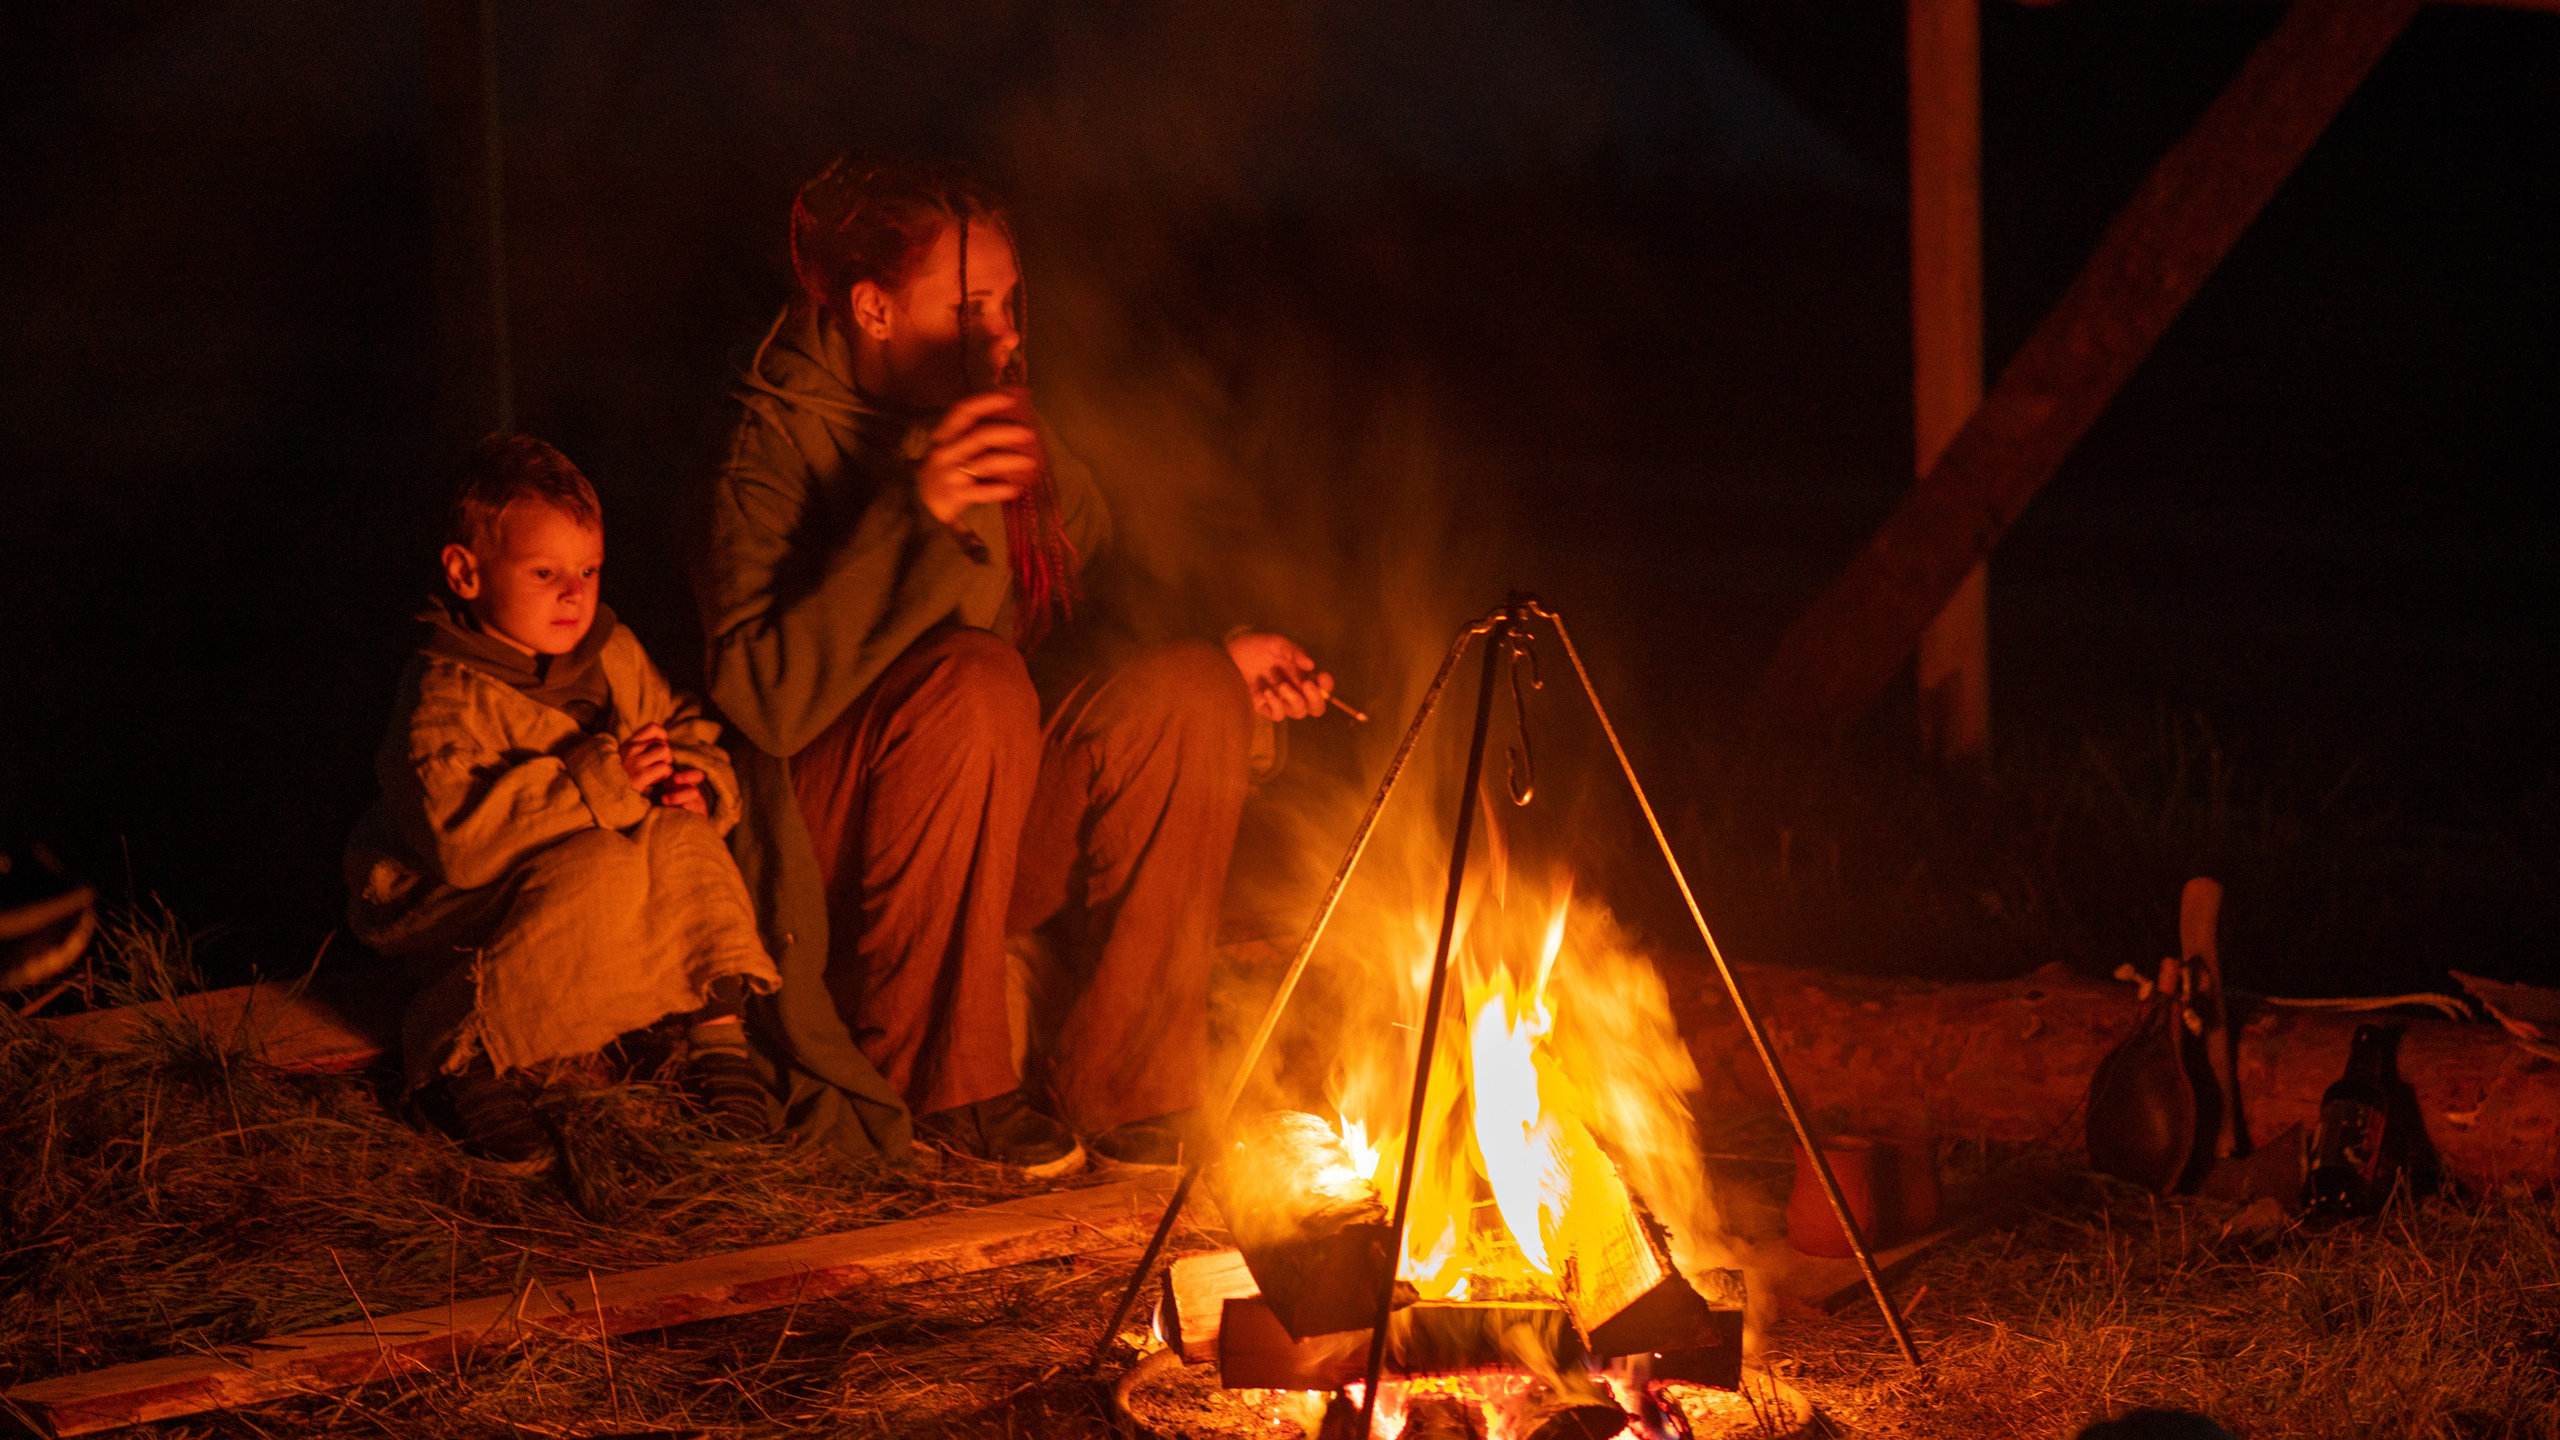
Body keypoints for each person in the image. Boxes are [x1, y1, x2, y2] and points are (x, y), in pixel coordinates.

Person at [692, 155, 1333, 1175]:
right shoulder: (767, 444)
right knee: (975, 678)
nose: (1005, 332)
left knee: (1184, 692)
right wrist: (917, 512)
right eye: (970, 305)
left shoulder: (1003, 424)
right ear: (875, 310)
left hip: (984, 818)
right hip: (831, 856)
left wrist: (1219, 661)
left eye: (1007, 300)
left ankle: (1125, 1088)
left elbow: (1091, 612)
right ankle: (945, 1085)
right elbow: (764, 705)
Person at [346, 435, 781, 1173]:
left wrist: (692, 780)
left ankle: (713, 1027)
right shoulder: (445, 697)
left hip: (573, 878)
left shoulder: (609, 653)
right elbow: (462, 846)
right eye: (544, 572)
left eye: (587, 569)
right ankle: (458, 1049)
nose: (575, 594)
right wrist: (601, 783)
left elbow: (682, 725)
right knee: (602, 871)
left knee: (683, 840)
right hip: (449, 901)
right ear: (466, 572)